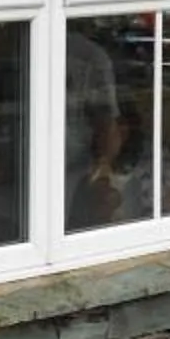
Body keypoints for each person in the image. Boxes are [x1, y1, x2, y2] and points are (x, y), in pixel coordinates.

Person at [64, 25, 131, 228]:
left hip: (71, 170)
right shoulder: (90, 55)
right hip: (67, 168)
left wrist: (102, 164)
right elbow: (107, 121)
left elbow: (106, 121)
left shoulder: (89, 55)